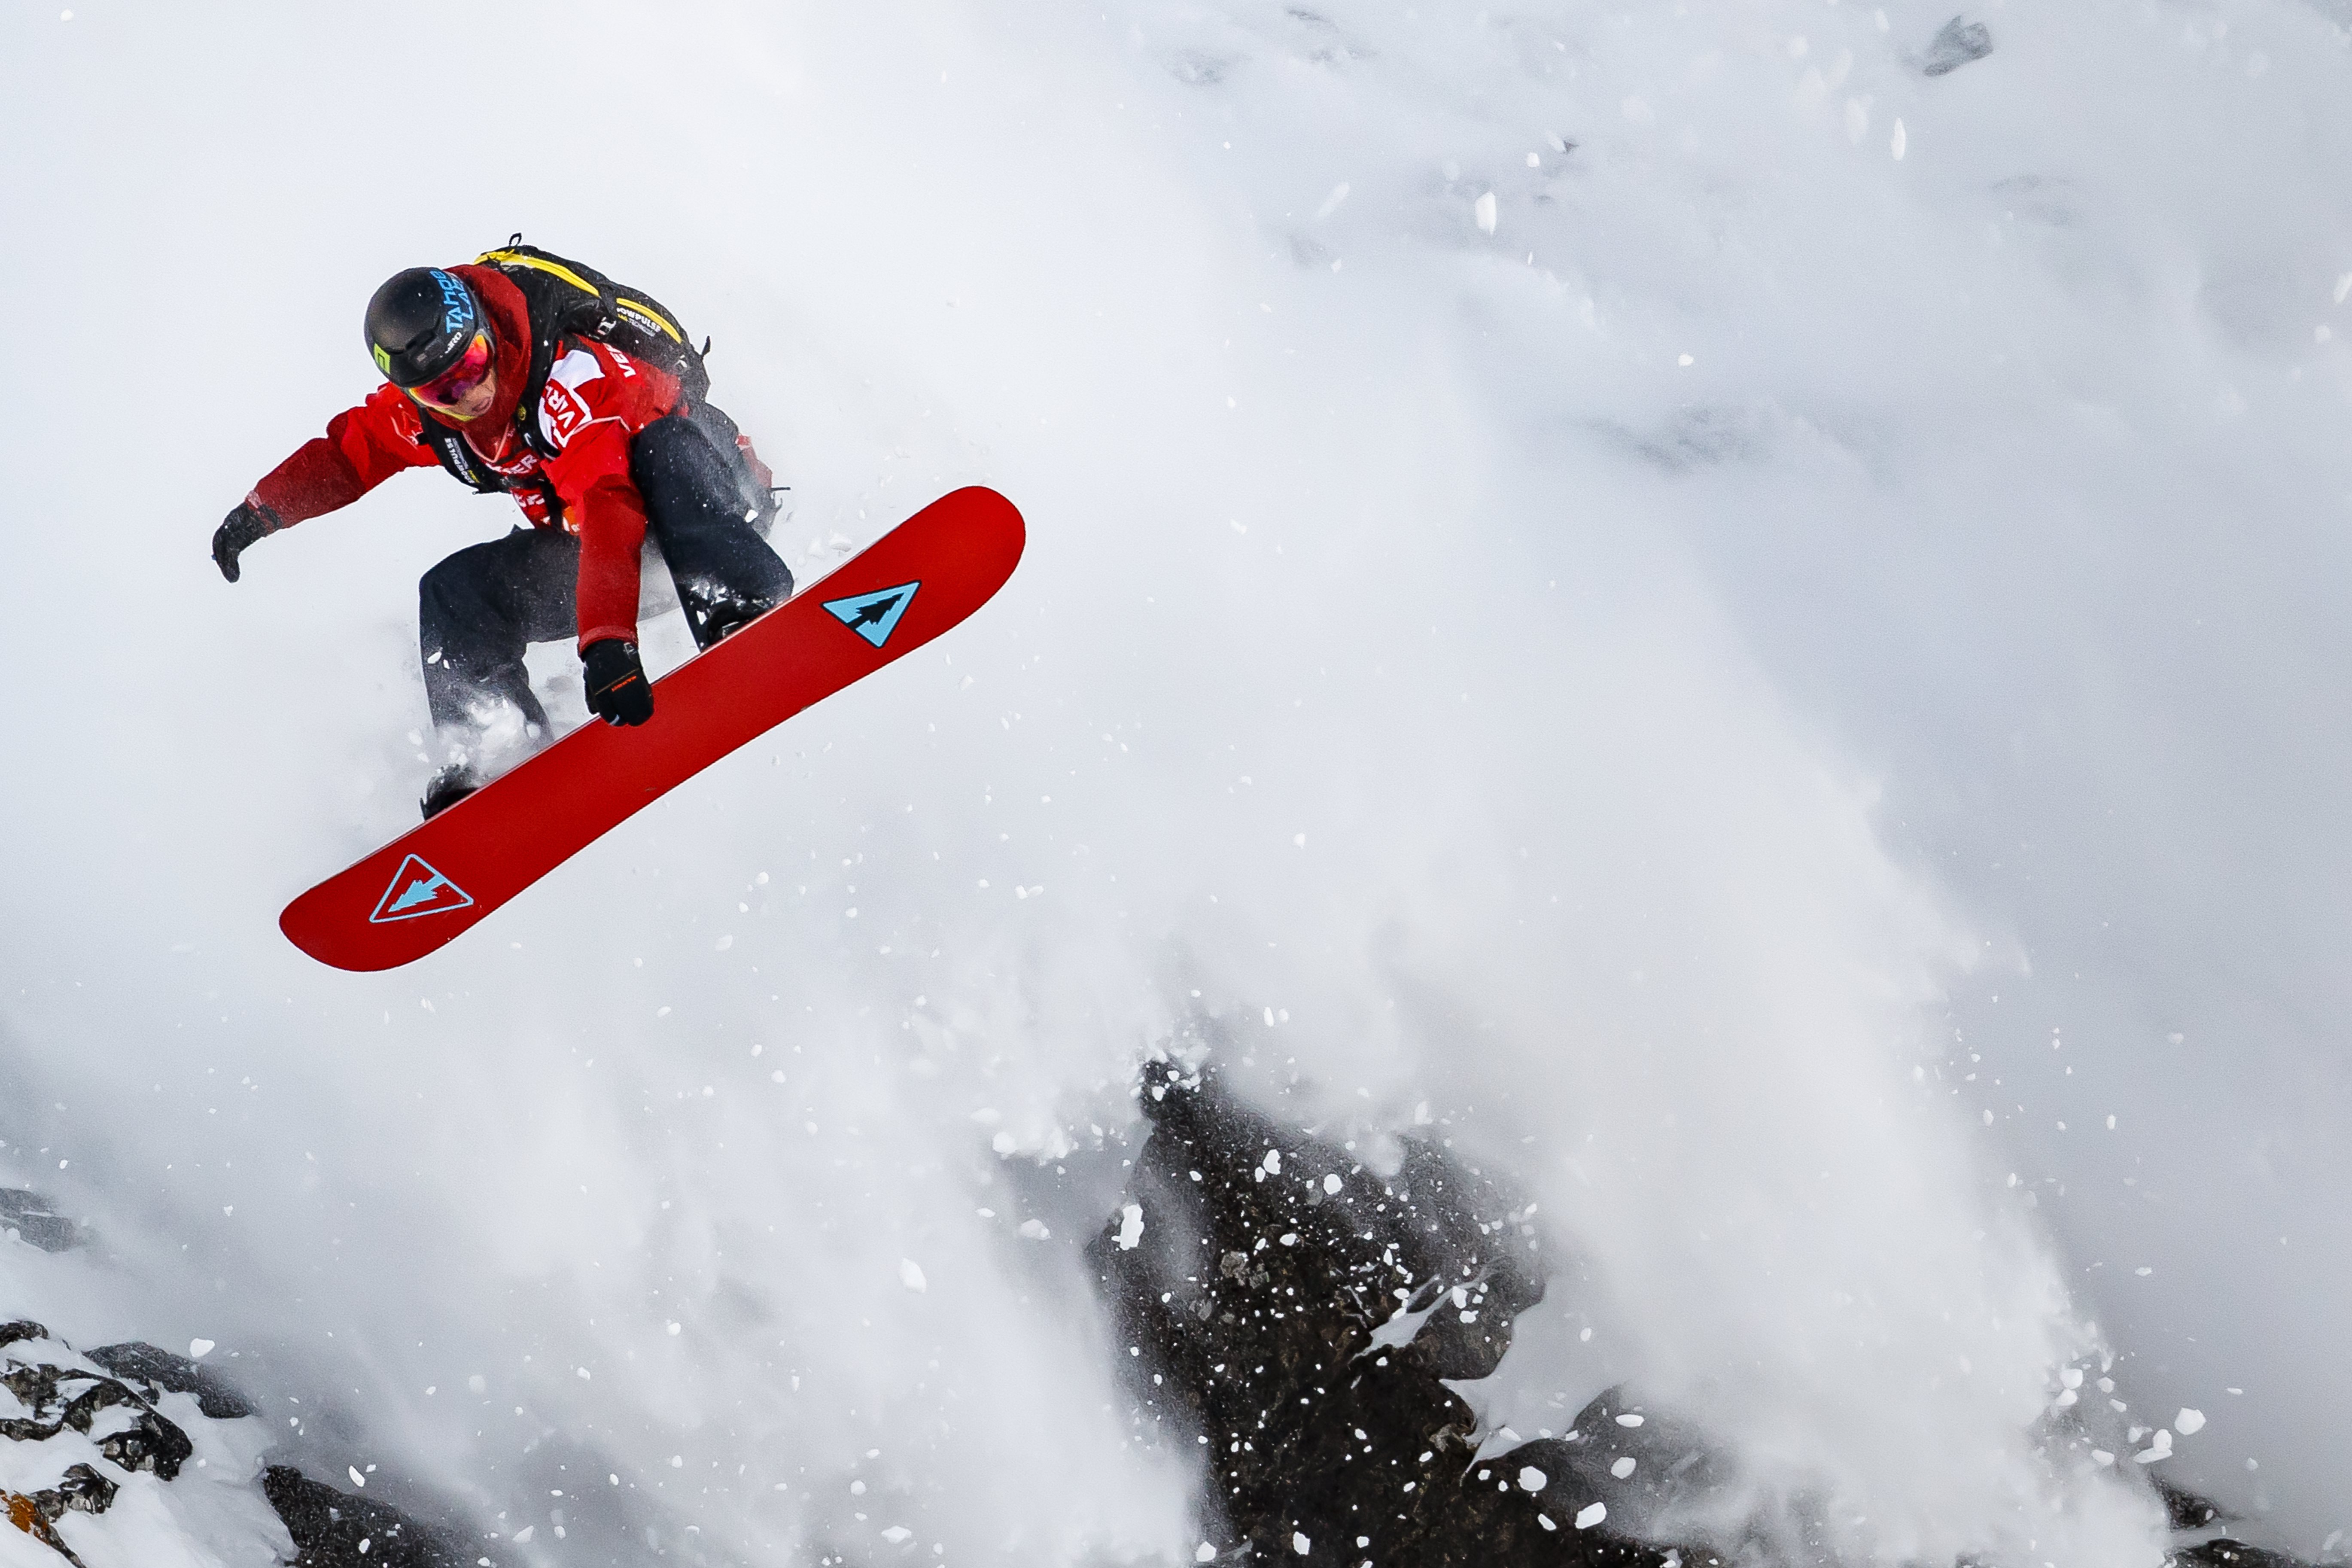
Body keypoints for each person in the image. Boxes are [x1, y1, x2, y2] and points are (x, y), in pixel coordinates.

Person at [213, 245, 795, 818]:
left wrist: (608, 642)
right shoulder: (432, 416)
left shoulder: (570, 379)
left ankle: (738, 604)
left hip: (706, 507)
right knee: (454, 591)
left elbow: (609, 505)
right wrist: (260, 512)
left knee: (661, 451)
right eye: (444, 390)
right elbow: (350, 454)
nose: (469, 393)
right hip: (610, 557)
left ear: (485, 334)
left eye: (471, 365)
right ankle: (493, 747)